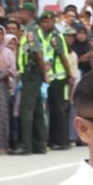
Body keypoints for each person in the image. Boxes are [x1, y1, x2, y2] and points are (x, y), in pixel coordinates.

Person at [13, 2, 47, 155]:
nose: (19, 16)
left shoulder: (31, 31)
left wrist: (44, 74)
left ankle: (25, 145)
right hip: (33, 73)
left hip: (32, 74)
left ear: (28, 13)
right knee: (38, 108)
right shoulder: (30, 29)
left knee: (26, 109)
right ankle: (39, 144)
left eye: (21, 12)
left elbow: (37, 54)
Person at [37, 11, 73, 151]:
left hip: (59, 77)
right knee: (52, 109)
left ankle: (62, 141)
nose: (47, 24)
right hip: (49, 77)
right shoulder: (44, 37)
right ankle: (53, 140)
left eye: (50, 21)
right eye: (44, 22)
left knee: (58, 109)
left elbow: (63, 57)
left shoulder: (55, 37)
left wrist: (69, 75)